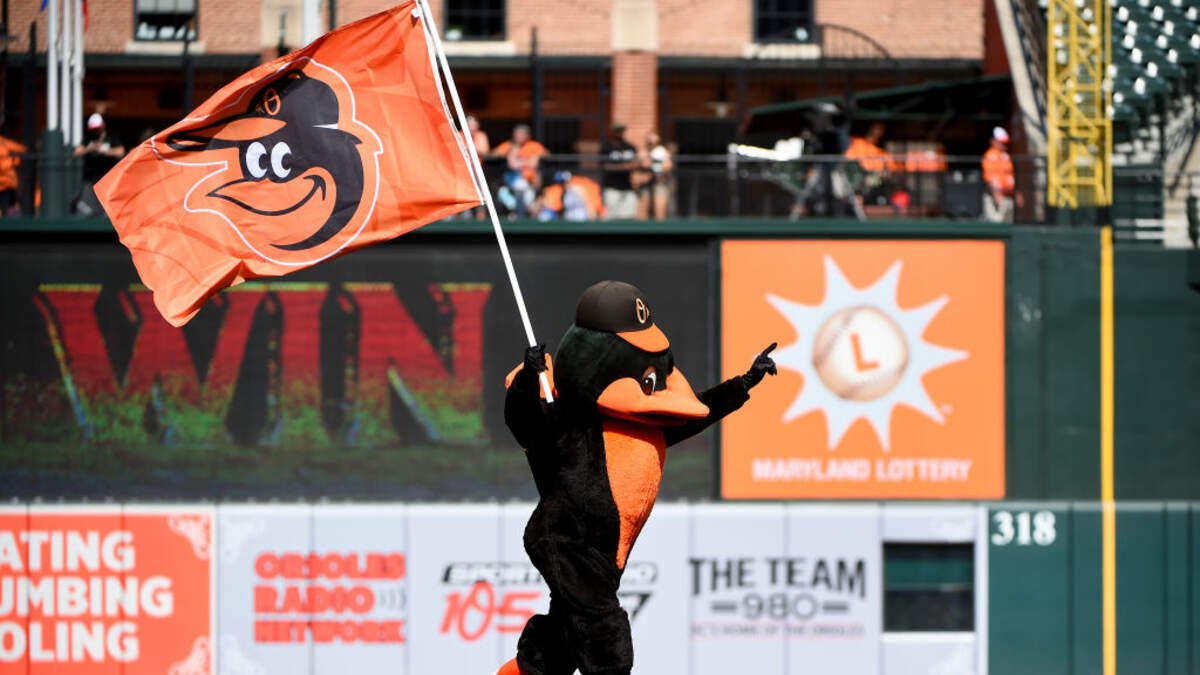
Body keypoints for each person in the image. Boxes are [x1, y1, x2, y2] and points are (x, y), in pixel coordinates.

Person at [497, 281, 777, 675]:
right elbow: (525, 420)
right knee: (604, 638)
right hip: (565, 539)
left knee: (558, 643)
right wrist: (529, 376)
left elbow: (698, 412)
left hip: (604, 551)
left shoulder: (645, 426)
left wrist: (744, 383)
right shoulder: (572, 426)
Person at [73, 113, 126, 216]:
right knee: (85, 208)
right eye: (93, 129)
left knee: (107, 209)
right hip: (90, 179)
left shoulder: (111, 137)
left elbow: (121, 151)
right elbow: (76, 152)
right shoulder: (88, 138)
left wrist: (103, 150)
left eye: (97, 128)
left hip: (107, 179)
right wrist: (90, 148)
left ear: (103, 126)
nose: (96, 131)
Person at [492, 124, 548, 217]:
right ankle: (521, 212)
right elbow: (493, 154)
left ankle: (523, 212)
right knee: (517, 188)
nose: (519, 136)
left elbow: (546, 154)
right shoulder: (509, 145)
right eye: (518, 133)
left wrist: (537, 156)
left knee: (529, 194)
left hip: (530, 182)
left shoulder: (533, 146)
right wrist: (508, 155)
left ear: (528, 136)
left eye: (522, 133)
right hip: (511, 182)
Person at [600, 122, 638, 220]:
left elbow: (636, 164)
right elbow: (604, 166)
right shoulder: (606, 147)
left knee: (628, 217)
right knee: (611, 217)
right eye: (617, 131)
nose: (619, 133)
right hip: (612, 188)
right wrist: (624, 166)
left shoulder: (630, 147)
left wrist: (621, 166)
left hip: (628, 188)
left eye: (621, 131)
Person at [537, 171, 603, 221]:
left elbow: (588, 203)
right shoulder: (563, 193)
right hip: (569, 220)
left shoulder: (577, 189)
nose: (564, 184)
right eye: (562, 182)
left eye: (566, 182)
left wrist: (591, 215)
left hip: (580, 220)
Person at [982, 126, 1015, 222]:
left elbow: (1011, 176)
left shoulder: (1006, 157)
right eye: (1001, 142)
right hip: (995, 198)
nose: (1004, 145)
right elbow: (990, 177)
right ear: (994, 141)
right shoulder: (990, 156)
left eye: (1005, 143)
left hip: (1008, 196)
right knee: (997, 223)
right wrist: (996, 195)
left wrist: (1017, 194)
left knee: (1009, 226)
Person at [637, 131, 672, 220]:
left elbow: (668, 166)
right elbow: (643, 164)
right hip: (646, 182)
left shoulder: (663, 151)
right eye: (650, 142)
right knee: (643, 211)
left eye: (655, 142)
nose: (652, 144)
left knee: (660, 211)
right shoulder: (643, 151)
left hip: (659, 181)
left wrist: (653, 163)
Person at [0, 135, 27, 216]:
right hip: (5, 183)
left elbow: (22, 149)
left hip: (7, 184)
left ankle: (10, 219)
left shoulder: (3, 142)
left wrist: (14, 160)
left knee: (10, 207)